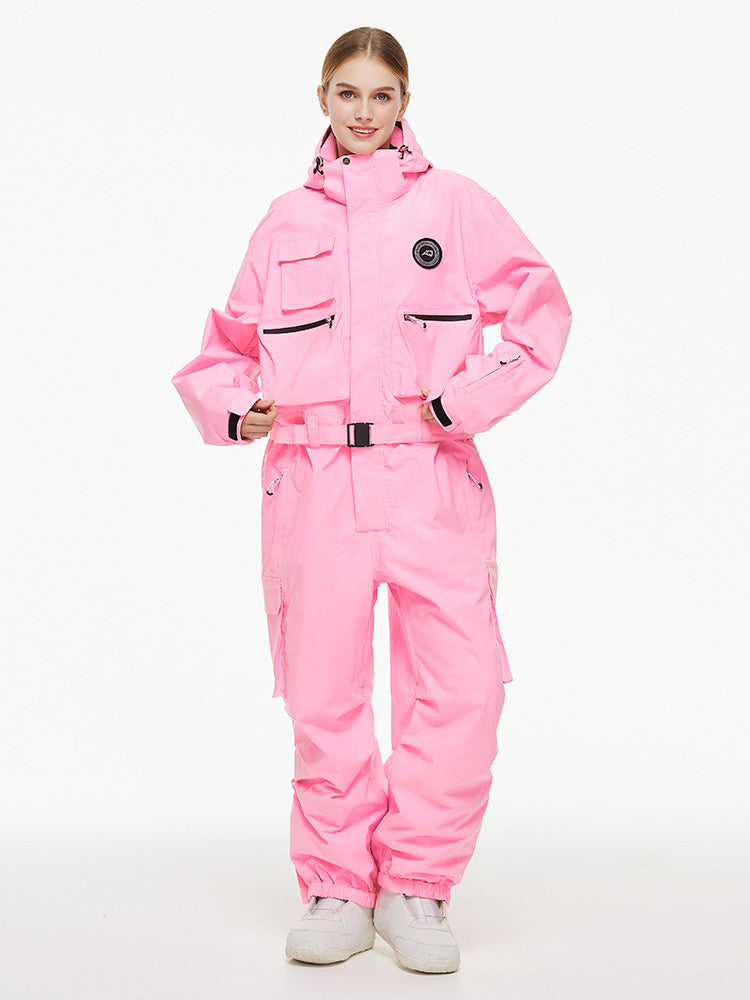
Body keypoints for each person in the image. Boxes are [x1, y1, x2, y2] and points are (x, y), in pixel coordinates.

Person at [171, 26, 572, 975]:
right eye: (347, 93)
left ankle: (417, 884)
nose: (363, 111)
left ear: (404, 103)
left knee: (462, 687)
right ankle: (339, 887)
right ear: (323, 99)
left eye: (381, 95)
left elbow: (541, 312)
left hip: (430, 473)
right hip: (314, 483)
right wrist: (235, 408)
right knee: (325, 693)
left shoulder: (455, 204)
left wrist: (463, 401)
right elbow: (224, 349)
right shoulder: (285, 221)